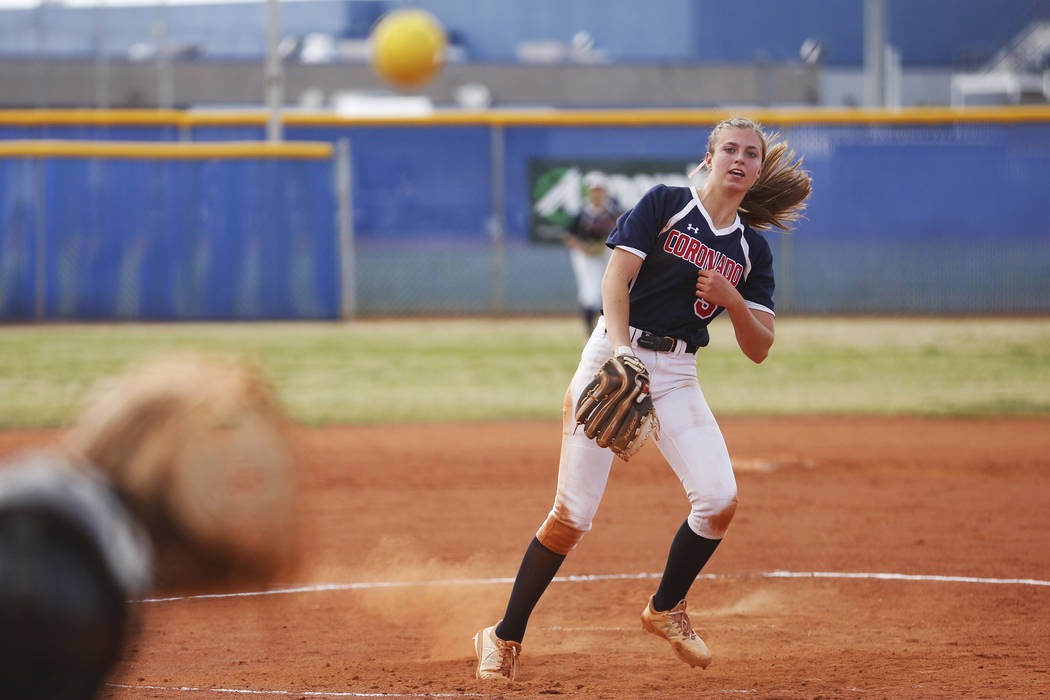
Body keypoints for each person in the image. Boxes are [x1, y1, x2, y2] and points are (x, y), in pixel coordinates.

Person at [473, 116, 812, 681]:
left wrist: (732, 300)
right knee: (571, 516)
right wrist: (624, 352)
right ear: (709, 157)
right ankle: (503, 637)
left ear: (757, 170)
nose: (739, 159)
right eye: (728, 148)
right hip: (614, 354)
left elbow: (760, 347)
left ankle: (666, 608)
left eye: (750, 153)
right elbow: (614, 281)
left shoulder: (752, 250)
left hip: (678, 373)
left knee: (720, 499)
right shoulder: (666, 203)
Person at [565, 170, 622, 334]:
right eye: (593, 189)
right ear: (588, 191)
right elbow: (569, 236)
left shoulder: (613, 211)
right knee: (590, 292)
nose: (597, 193)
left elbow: (623, 231)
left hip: (606, 252)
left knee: (611, 286)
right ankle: (589, 329)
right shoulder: (582, 212)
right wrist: (585, 249)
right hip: (585, 255)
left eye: (600, 189)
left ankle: (608, 326)